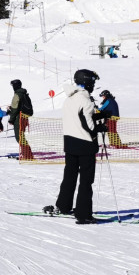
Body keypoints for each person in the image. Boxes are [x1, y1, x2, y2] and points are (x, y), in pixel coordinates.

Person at [49, 69, 101, 224]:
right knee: (86, 180)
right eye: (92, 82)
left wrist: (99, 115)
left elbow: (79, 119)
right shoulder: (85, 100)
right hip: (85, 145)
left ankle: (63, 206)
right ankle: (83, 214)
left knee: (69, 176)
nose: (93, 85)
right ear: (87, 82)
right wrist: (100, 127)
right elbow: (89, 126)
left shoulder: (69, 98)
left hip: (70, 142)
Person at [7, 79, 33, 158]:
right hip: (25, 118)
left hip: (19, 118)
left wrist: (11, 119)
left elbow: (15, 109)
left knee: (19, 137)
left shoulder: (17, 95)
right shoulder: (25, 94)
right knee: (21, 136)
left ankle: (27, 155)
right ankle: (26, 153)